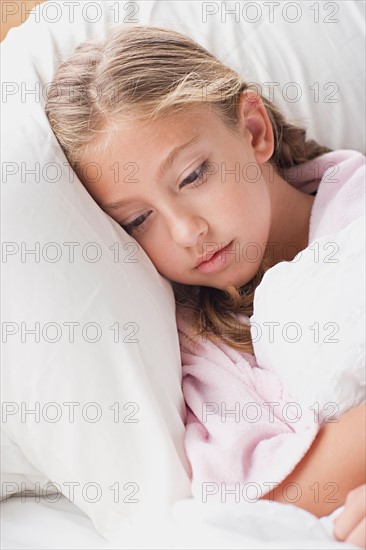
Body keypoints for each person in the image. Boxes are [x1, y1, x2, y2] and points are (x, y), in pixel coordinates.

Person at [45, 24, 366, 547]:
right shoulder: (202, 348)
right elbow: (257, 502)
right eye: (137, 221)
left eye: (193, 176)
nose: (186, 231)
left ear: (255, 130)